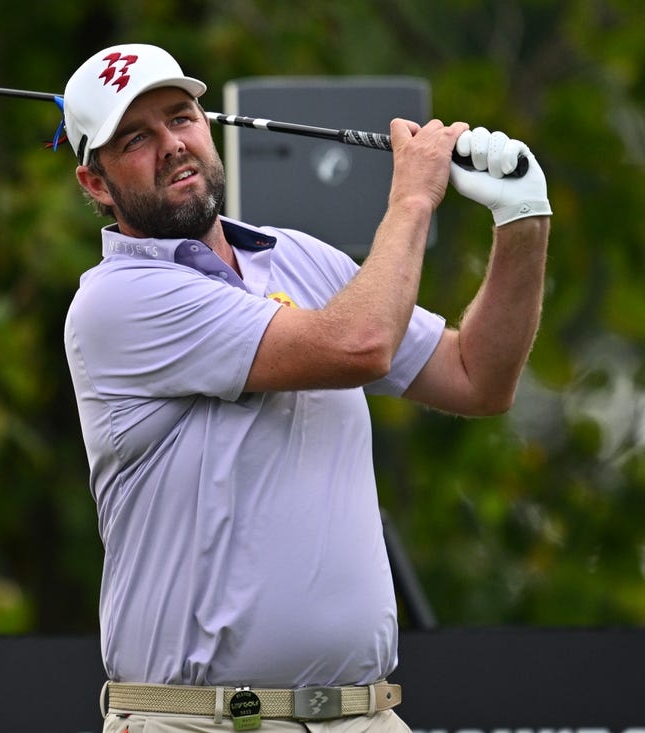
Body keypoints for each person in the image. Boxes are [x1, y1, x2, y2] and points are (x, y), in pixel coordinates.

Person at [61, 43, 551, 733]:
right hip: (200, 722)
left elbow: (477, 376)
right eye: (136, 138)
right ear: (97, 184)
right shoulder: (116, 303)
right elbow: (360, 344)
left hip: (362, 715)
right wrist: (414, 197)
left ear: (209, 124)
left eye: (181, 118)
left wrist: (523, 222)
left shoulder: (299, 257)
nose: (173, 146)